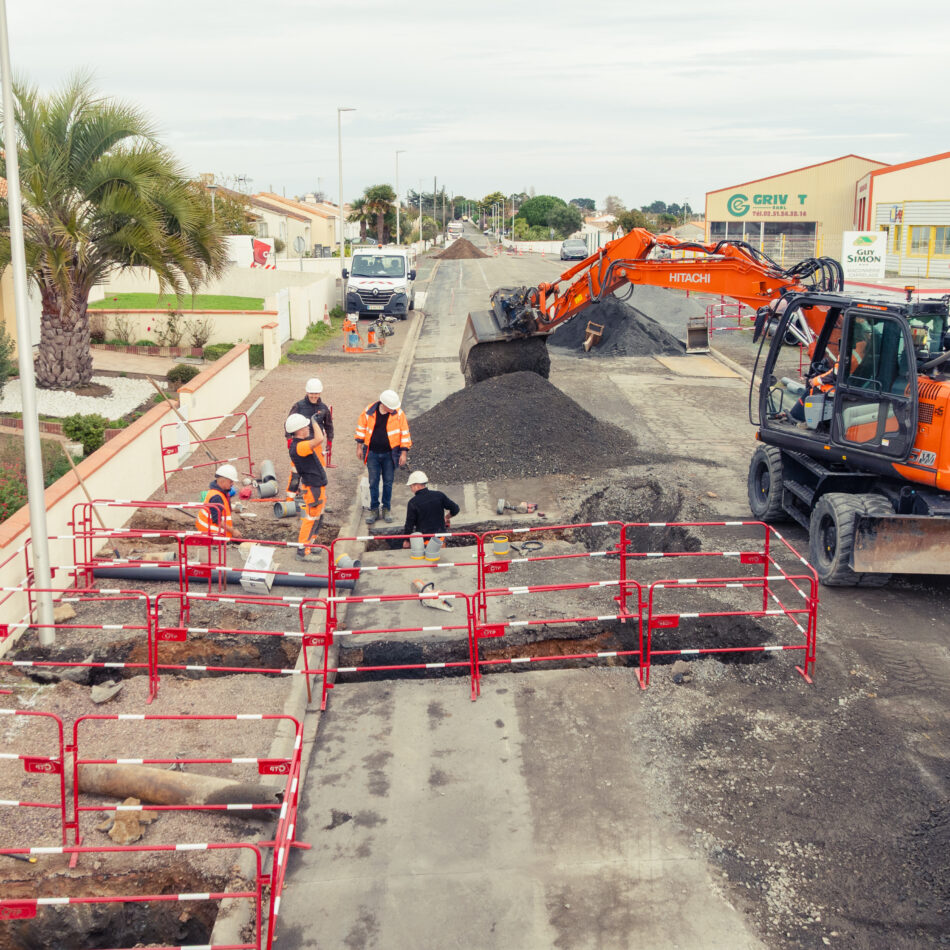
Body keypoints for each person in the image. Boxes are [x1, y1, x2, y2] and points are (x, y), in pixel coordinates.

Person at [354, 389, 412, 525]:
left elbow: (405, 434)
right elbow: (361, 429)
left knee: (388, 482)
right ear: (383, 404)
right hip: (373, 453)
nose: (393, 409)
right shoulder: (369, 411)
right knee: (373, 482)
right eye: (391, 407)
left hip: (390, 455)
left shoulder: (399, 414)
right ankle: (374, 509)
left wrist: (403, 453)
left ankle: (386, 508)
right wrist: (359, 447)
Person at [286, 412, 327, 559]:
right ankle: (303, 550)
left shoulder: (299, 445)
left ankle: (310, 544)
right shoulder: (300, 446)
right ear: (299, 430)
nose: (308, 428)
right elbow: (320, 438)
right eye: (306, 426)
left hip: (316, 486)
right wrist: (314, 420)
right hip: (313, 488)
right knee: (311, 519)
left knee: (317, 517)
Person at [285, 378, 333, 501]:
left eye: (316, 393)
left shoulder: (323, 408)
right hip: (301, 443)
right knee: (296, 471)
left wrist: (329, 440)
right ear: (307, 392)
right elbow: (288, 422)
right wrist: (289, 438)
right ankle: (290, 498)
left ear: (320, 393)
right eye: (311, 393)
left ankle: (316, 497)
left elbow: (328, 425)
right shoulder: (299, 406)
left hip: (316, 444)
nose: (313, 396)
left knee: (318, 470)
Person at [401, 471, 459, 547]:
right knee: (440, 557)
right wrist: (446, 517)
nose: (411, 489)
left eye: (411, 486)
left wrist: (406, 540)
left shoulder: (413, 502)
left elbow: (409, 524)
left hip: (424, 541)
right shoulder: (439, 495)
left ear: (416, 485)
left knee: (428, 557)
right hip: (440, 540)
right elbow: (455, 509)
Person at [195, 463, 242, 539]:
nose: (232, 484)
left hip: (209, 531)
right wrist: (233, 531)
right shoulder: (216, 497)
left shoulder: (219, 492)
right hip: (211, 535)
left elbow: (221, 508)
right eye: (231, 481)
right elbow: (217, 520)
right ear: (223, 481)